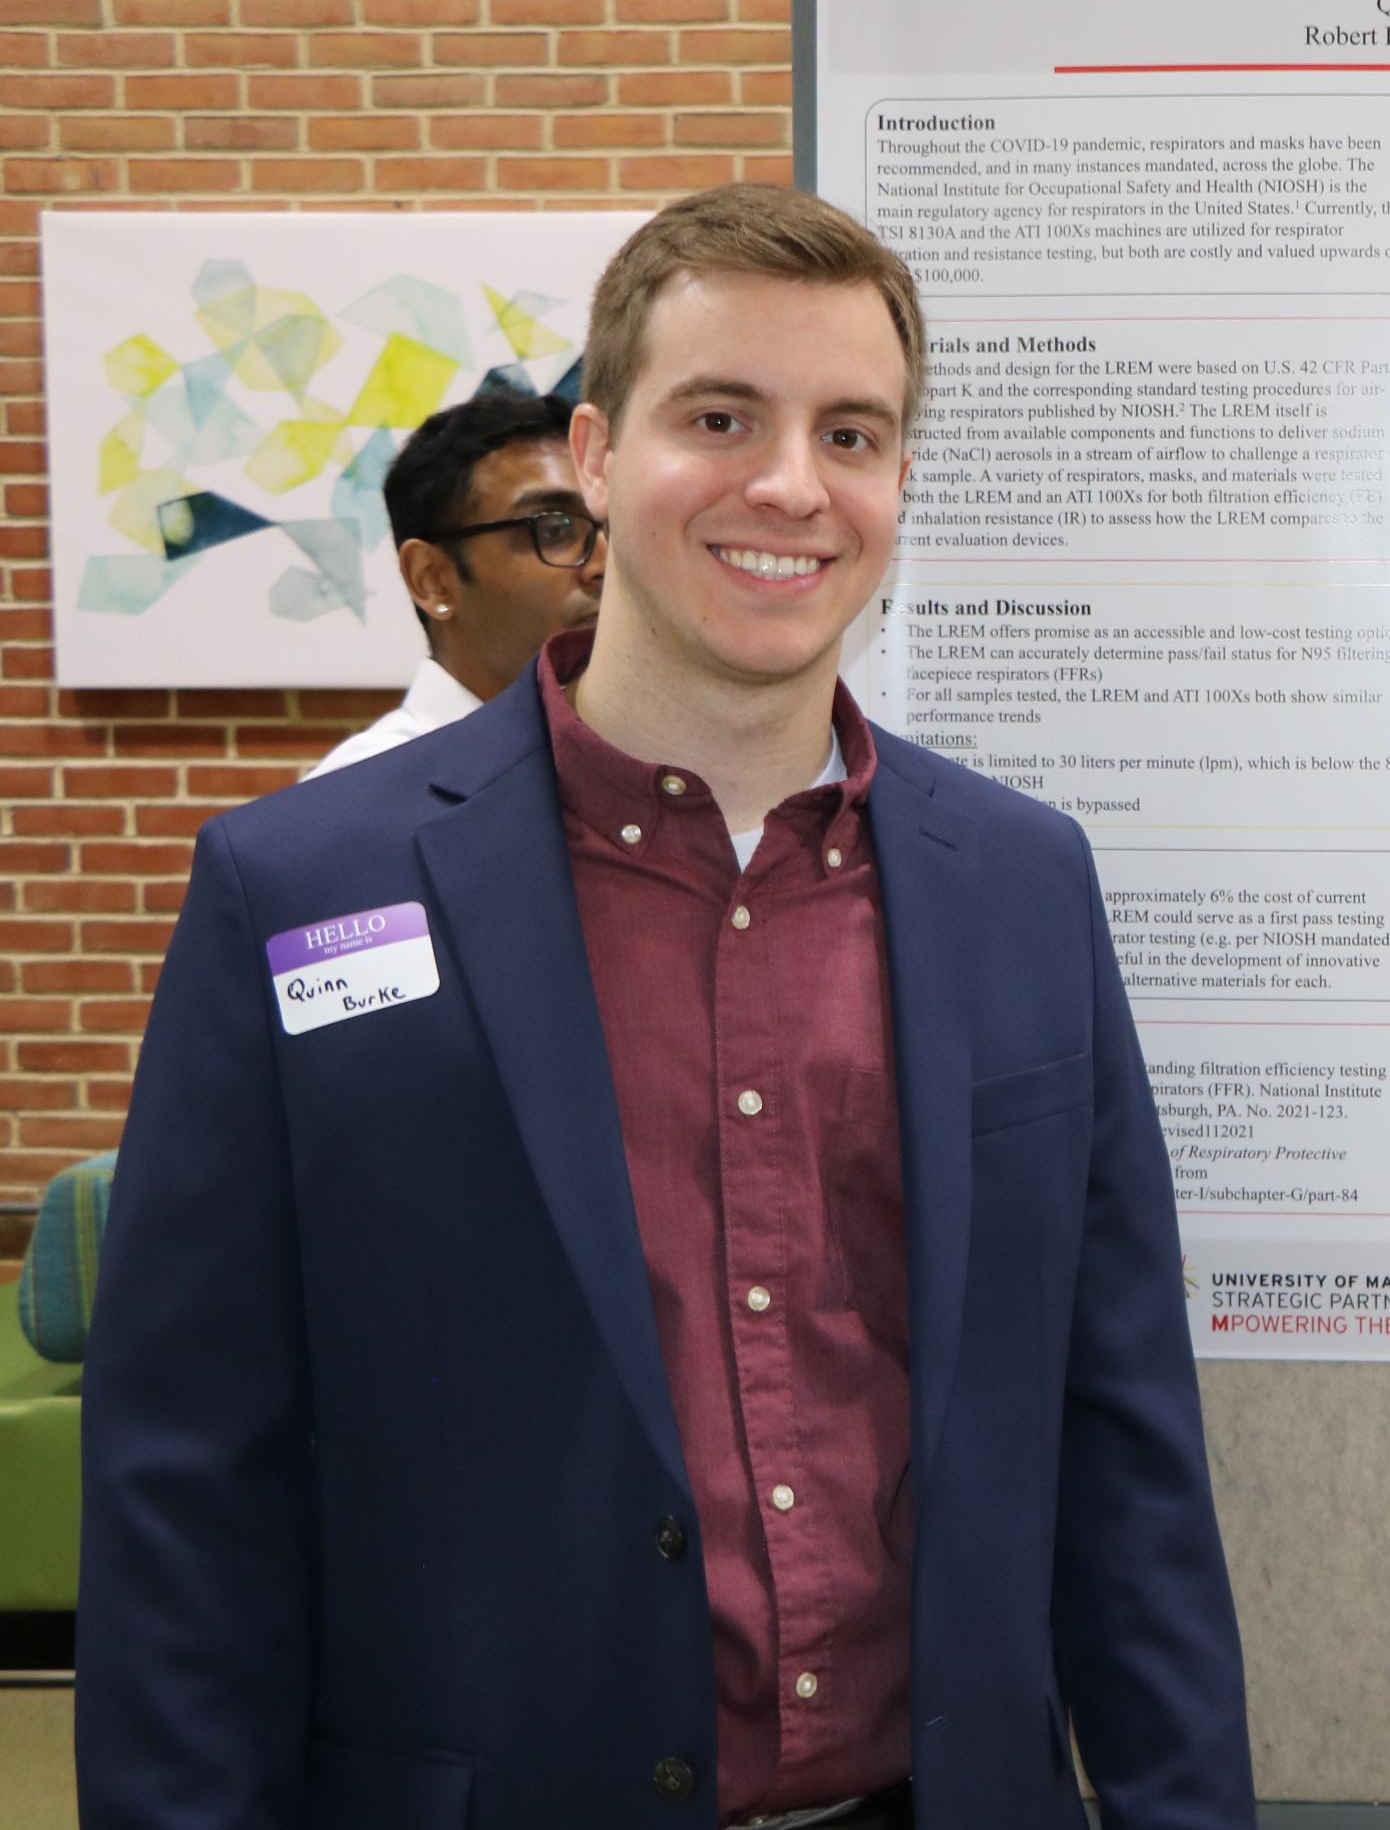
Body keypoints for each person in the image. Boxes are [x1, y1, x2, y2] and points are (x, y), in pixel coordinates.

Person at [77, 185, 1253, 1830]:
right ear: (597, 456)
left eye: (852, 431)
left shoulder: (1021, 884)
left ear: (901, 479)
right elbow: (189, 1482)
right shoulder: (300, 884)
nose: (790, 482)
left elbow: (1125, 1447)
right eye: (721, 415)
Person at [309, 390, 602, 777]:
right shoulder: (364, 793)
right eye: (554, 529)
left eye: (615, 527)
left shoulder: (643, 766)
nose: (604, 563)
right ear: (432, 579)